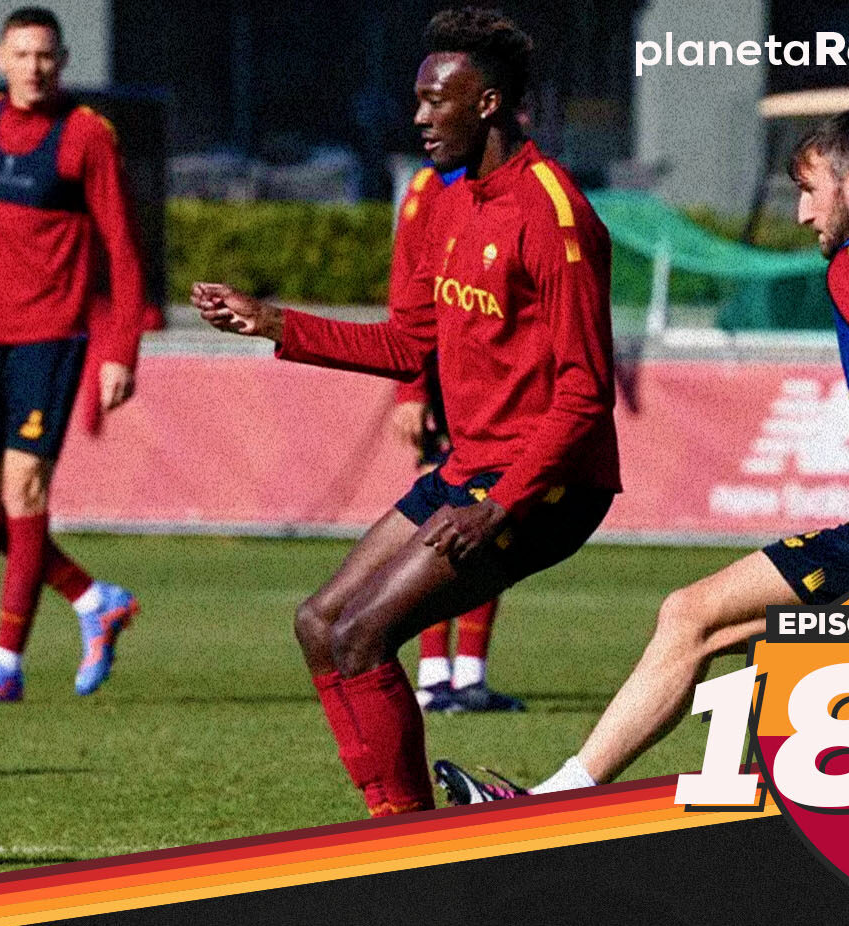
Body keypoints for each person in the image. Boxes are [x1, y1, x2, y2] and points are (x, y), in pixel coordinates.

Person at [434, 107, 849, 805]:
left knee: (691, 616)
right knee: (755, 649)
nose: (802, 214)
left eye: (809, 191)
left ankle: (557, 801)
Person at [194, 8, 619, 817]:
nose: (418, 117)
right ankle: (398, 830)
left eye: (435, 101)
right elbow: (406, 345)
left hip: (549, 485)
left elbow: (583, 394)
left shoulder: (552, 214)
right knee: (320, 623)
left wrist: (500, 505)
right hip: (472, 465)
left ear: (486, 105)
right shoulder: (447, 204)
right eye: (418, 99)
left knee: (363, 636)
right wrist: (273, 322)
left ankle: (409, 845)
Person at [0, 6, 147, 705]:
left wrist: (120, 350)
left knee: (23, 494)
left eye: (45, 55)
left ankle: (5, 663)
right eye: (22, 54)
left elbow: (123, 251)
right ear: (0, 58)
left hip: (52, 340)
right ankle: (93, 598)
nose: (34, 67)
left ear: (62, 61)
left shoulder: (86, 136)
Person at [388, 163, 522, 714]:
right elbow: (408, 292)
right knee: (444, 514)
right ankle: (432, 673)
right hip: (445, 371)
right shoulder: (432, 186)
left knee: (490, 519)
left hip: (494, 374)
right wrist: (410, 389)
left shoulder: (519, 185)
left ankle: (468, 675)